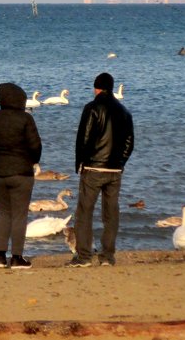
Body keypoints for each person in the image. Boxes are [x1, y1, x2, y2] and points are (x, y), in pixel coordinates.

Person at [69, 71, 134, 267]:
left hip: (94, 167)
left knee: (84, 212)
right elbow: (129, 143)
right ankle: (107, 256)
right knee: (111, 213)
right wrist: (120, 163)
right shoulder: (124, 111)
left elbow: (84, 138)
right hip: (114, 170)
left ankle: (84, 256)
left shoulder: (92, 108)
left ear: (96, 88)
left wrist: (80, 162)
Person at [0, 82, 42, 269]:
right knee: (19, 215)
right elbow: (35, 146)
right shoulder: (26, 119)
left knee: (4, 213)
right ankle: (16, 257)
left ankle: (0, 256)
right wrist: (31, 161)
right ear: (21, 99)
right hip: (21, 173)